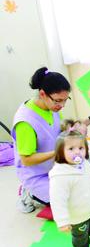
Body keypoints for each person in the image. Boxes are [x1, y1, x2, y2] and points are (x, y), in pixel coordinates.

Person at [12, 67, 71, 213]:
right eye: (58, 101)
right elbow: (26, 160)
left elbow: (61, 129)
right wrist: (56, 152)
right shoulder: (25, 121)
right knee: (64, 201)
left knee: (80, 189)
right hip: (36, 174)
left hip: (55, 166)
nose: (62, 105)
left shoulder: (53, 109)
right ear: (43, 94)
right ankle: (29, 194)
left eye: (65, 100)